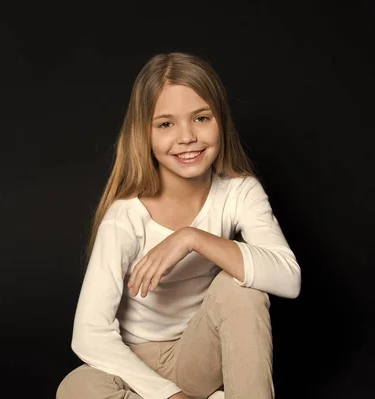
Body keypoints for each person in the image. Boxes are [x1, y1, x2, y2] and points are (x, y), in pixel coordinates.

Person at [56, 52, 301, 399]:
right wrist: (168, 395)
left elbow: (288, 278)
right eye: (166, 124)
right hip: (135, 363)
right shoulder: (126, 216)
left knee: (242, 288)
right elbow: (89, 333)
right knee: (75, 389)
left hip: (199, 355)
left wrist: (192, 238)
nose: (186, 137)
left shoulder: (239, 192)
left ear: (221, 120)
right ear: (145, 133)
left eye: (201, 117)